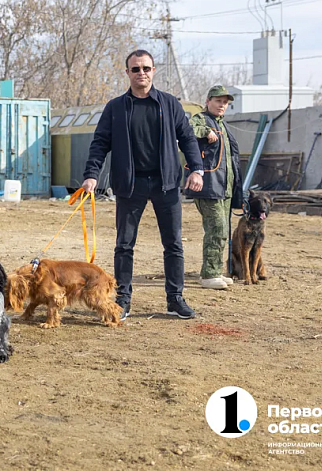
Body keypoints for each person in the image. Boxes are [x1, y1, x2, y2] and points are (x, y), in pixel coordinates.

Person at [81, 49, 203, 319]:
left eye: (146, 68)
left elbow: (187, 138)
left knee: (173, 244)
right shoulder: (115, 108)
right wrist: (91, 174)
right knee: (124, 245)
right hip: (130, 185)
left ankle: (175, 299)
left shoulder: (169, 104)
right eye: (135, 69)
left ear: (153, 71)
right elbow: (100, 143)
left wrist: (197, 169)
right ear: (127, 73)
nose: (141, 73)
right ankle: (122, 299)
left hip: (166, 184)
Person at [184, 85, 244, 290]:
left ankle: (216, 271)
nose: (222, 105)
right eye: (218, 101)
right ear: (208, 101)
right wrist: (206, 131)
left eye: (225, 102)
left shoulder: (223, 125)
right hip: (208, 186)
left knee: (222, 230)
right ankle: (209, 275)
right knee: (216, 229)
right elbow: (187, 130)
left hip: (225, 188)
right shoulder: (201, 119)